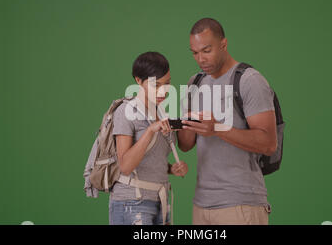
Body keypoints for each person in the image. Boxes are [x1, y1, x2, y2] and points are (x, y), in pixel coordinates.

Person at [177, 18, 278, 225]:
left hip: (241, 203)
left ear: (223, 44)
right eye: (195, 53)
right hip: (202, 204)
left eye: (206, 50)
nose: (200, 59)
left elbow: (269, 143)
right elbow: (186, 145)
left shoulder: (250, 80)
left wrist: (217, 128)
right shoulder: (194, 83)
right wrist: (182, 121)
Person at [109, 51, 188, 225]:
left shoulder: (160, 112)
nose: (163, 91)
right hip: (132, 203)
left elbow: (150, 159)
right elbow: (126, 165)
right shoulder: (126, 111)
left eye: (167, 84)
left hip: (161, 202)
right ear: (138, 80)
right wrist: (150, 131)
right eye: (156, 85)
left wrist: (170, 169)